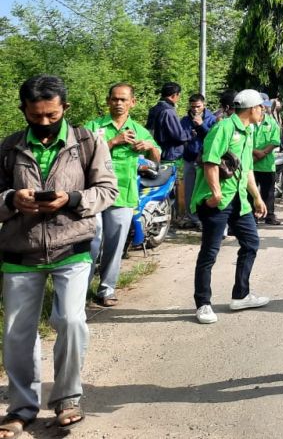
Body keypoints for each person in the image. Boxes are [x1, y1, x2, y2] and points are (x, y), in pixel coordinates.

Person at [0, 75, 118, 433]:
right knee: (18, 333)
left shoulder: (87, 142)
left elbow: (107, 190)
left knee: (70, 320)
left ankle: (67, 398)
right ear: (24, 111)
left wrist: (74, 199)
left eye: (52, 115)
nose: (46, 123)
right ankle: (22, 407)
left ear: (65, 108)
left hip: (72, 247)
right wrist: (10, 200)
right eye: (36, 117)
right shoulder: (8, 148)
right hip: (20, 252)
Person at [189, 89, 270, 326]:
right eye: (261, 107)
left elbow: (246, 170)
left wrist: (256, 197)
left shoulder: (248, 131)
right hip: (218, 201)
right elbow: (210, 161)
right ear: (252, 109)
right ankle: (203, 303)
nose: (263, 111)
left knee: (251, 243)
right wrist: (214, 194)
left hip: (239, 200)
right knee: (210, 253)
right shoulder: (223, 128)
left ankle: (241, 295)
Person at [83, 83, 160, 307]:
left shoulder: (139, 129)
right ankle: (80, 290)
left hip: (123, 194)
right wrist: (114, 141)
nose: (118, 103)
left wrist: (149, 146)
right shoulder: (94, 126)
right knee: (91, 242)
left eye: (123, 100)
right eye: (114, 99)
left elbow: (156, 158)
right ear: (108, 101)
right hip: (94, 193)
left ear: (132, 103)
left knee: (115, 245)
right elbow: (81, 155)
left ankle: (106, 289)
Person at [146, 82, 190, 220]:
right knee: (169, 187)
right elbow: (177, 135)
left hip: (155, 153)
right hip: (170, 154)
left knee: (156, 184)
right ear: (174, 96)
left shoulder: (154, 109)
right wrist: (190, 134)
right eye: (178, 96)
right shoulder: (169, 111)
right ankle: (169, 218)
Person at [180, 93, 216, 230]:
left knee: (204, 190)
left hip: (205, 161)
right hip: (189, 159)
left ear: (204, 105)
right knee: (189, 190)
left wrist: (201, 126)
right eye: (193, 106)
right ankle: (192, 218)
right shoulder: (184, 120)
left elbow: (214, 138)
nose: (195, 109)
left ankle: (204, 218)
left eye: (198, 106)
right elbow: (181, 136)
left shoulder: (212, 119)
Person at [252, 92, 282, 226]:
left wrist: (263, 153)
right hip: (251, 163)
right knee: (250, 192)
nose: (264, 108)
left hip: (266, 164)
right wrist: (255, 153)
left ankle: (269, 215)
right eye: (262, 105)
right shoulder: (248, 122)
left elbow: (275, 141)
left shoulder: (271, 122)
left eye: (265, 105)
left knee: (269, 192)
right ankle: (252, 217)